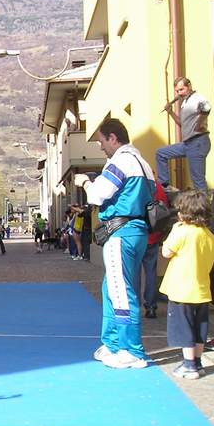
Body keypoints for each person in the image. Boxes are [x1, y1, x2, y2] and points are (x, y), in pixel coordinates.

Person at [74, 118, 154, 369]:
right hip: (136, 230)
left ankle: (131, 350)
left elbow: (97, 194)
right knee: (112, 287)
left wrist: (85, 182)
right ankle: (112, 343)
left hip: (121, 231)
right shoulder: (143, 163)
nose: (100, 147)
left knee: (120, 291)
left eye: (101, 141)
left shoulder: (121, 161)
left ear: (113, 138)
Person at [160, 190, 214, 379]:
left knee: (184, 328)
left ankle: (189, 365)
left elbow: (166, 252)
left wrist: (174, 230)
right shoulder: (209, 235)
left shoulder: (182, 232)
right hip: (201, 290)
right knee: (200, 328)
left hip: (181, 290)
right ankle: (198, 362)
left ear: (184, 213)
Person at [157, 76, 211, 191]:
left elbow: (206, 108)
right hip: (187, 144)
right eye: (177, 91)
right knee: (161, 153)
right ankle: (165, 186)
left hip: (197, 142)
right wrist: (170, 112)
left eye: (181, 89)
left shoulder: (196, 98)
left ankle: (204, 202)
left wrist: (199, 124)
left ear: (189, 86)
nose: (179, 93)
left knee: (198, 180)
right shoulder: (185, 102)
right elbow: (182, 123)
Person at [135, 179, 168, 318]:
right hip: (153, 235)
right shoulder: (157, 187)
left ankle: (134, 306)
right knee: (151, 273)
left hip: (137, 235)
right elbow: (164, 208)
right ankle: (151, 307)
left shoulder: (135, 185)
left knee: (134, 273)